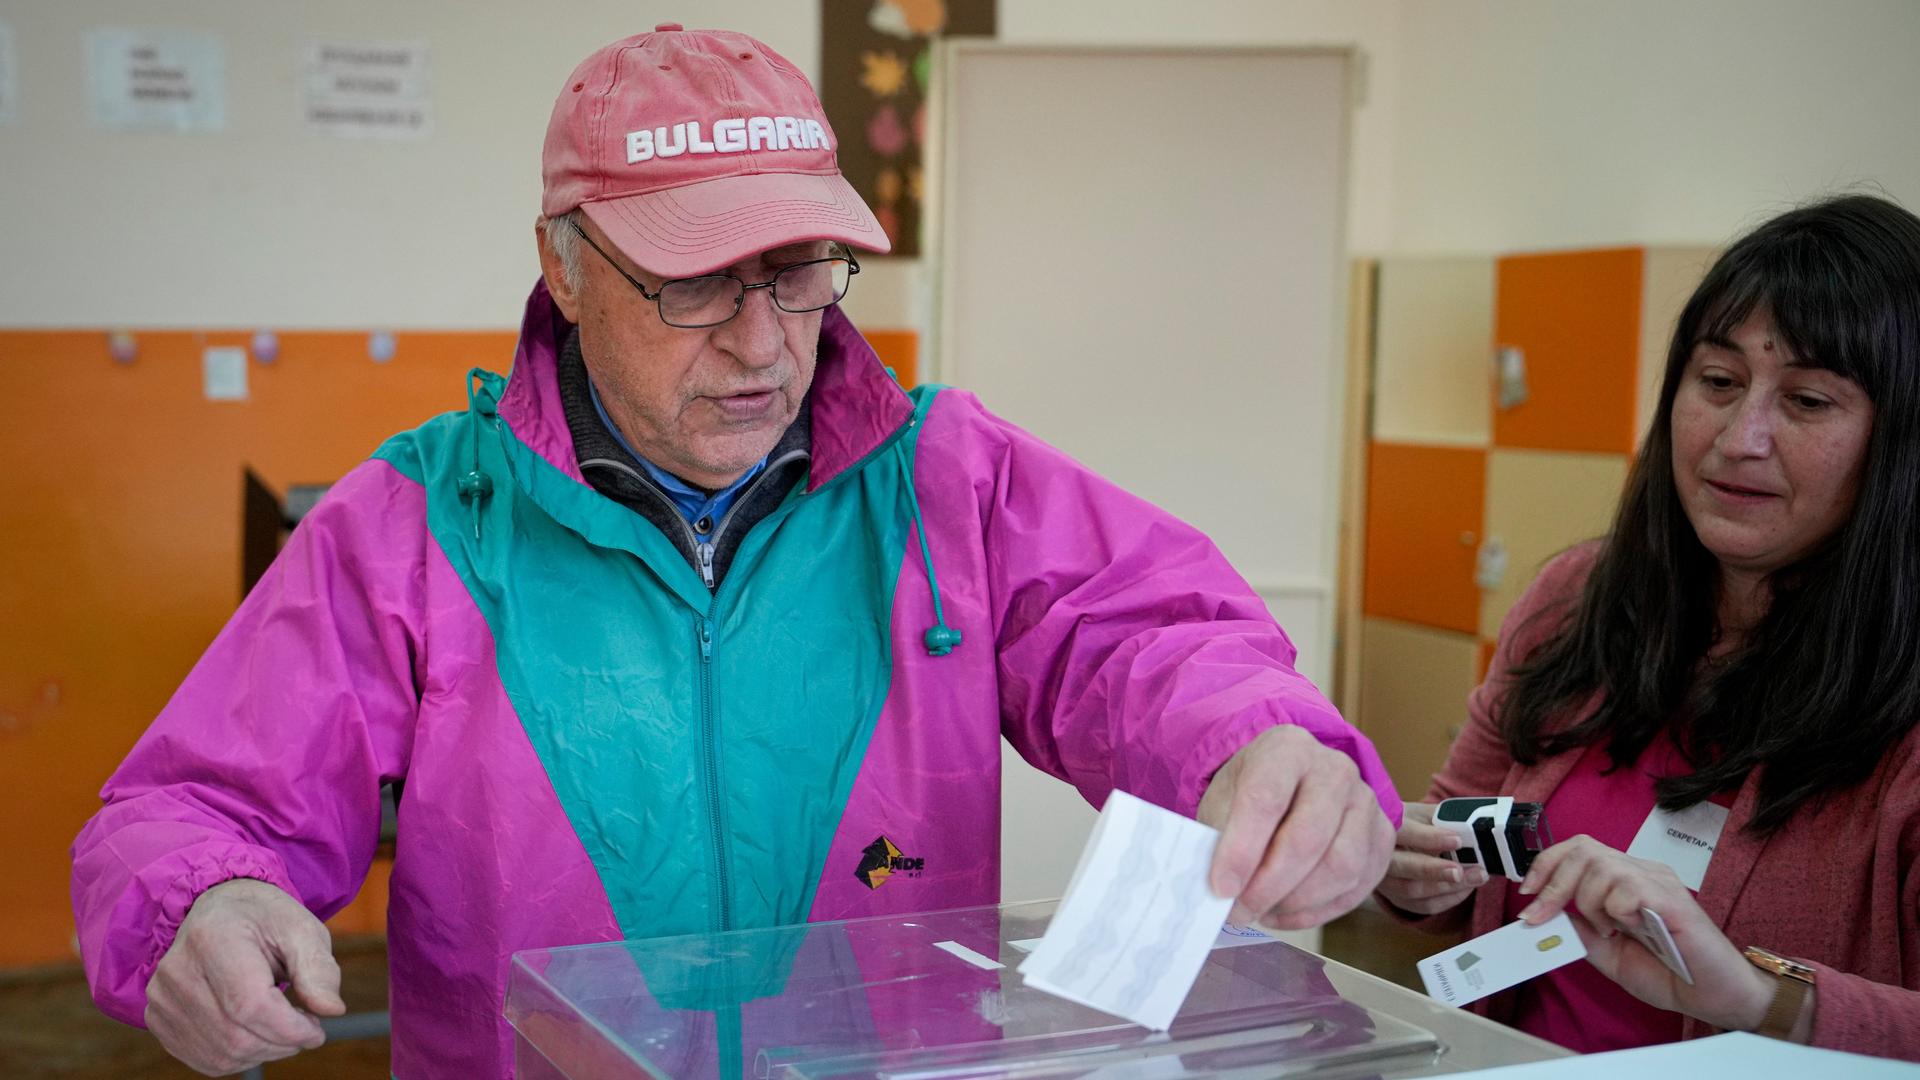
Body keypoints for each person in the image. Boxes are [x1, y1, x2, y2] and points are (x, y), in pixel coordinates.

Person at [70, 25, 1400, 1078]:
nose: (764, 343)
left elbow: (1149, 636)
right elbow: (193, 811)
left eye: (804, 268)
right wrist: (197, 904)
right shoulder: (414, 527)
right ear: (567, 264)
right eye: (698, 282)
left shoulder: (951, 482)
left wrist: (1257, 737)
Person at [1376, 194, 1920, 1060]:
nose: (1740, 438)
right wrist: (1402, 867)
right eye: (1718, 382)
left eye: (1809, 400)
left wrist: (1757, 995)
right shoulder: (1575, 597)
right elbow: (1444, 857)